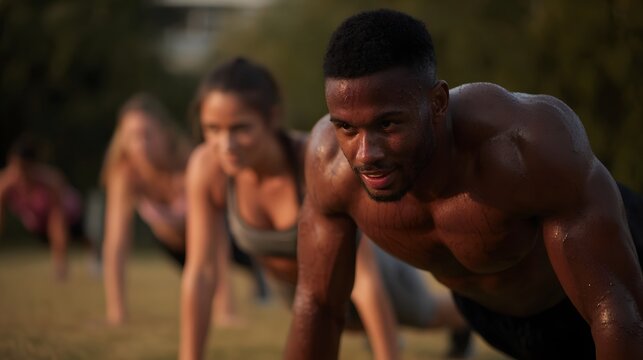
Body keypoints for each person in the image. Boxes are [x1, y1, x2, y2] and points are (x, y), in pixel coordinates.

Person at [285, 9, 643, 360]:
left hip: (615, 275)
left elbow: (616, 308)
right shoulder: (329, 165)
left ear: (438, 103)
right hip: (496, 319)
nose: (365, 155)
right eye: (347, 127)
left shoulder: (526, 144)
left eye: (388, 125)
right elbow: (318, 305)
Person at [180, 57, 471, 360]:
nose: (225, 143)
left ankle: (468, 318)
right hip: (304, 284)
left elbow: (364, 281)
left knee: (424, 314)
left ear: (272, 118)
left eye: (240, 128)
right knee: (347, 326)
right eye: (212, 128)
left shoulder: (314, 161)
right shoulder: (207, 169)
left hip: (367, 264)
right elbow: (201, 271)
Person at [100, 93, 266, 326]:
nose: (141, 144)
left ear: (165, 133)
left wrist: (225, 309)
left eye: (147, 134)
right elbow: (116, 243)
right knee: (198, 280)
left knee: (259, 261)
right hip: (174, 246)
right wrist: (116, 312)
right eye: (132, 137)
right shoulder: (126, 175)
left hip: (222, 236)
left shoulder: (189, 162)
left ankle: (263, 280)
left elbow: (216, 236)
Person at [0, 135, 85, 280]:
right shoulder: (5, 184)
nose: (19, 172)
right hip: (38, 222)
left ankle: (96, 254)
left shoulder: (50, 182)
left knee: (80, 238)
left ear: (33, 166)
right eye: (14, 166)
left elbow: (58, 219)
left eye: (23, 167)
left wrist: (60, 264)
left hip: (70, 215)